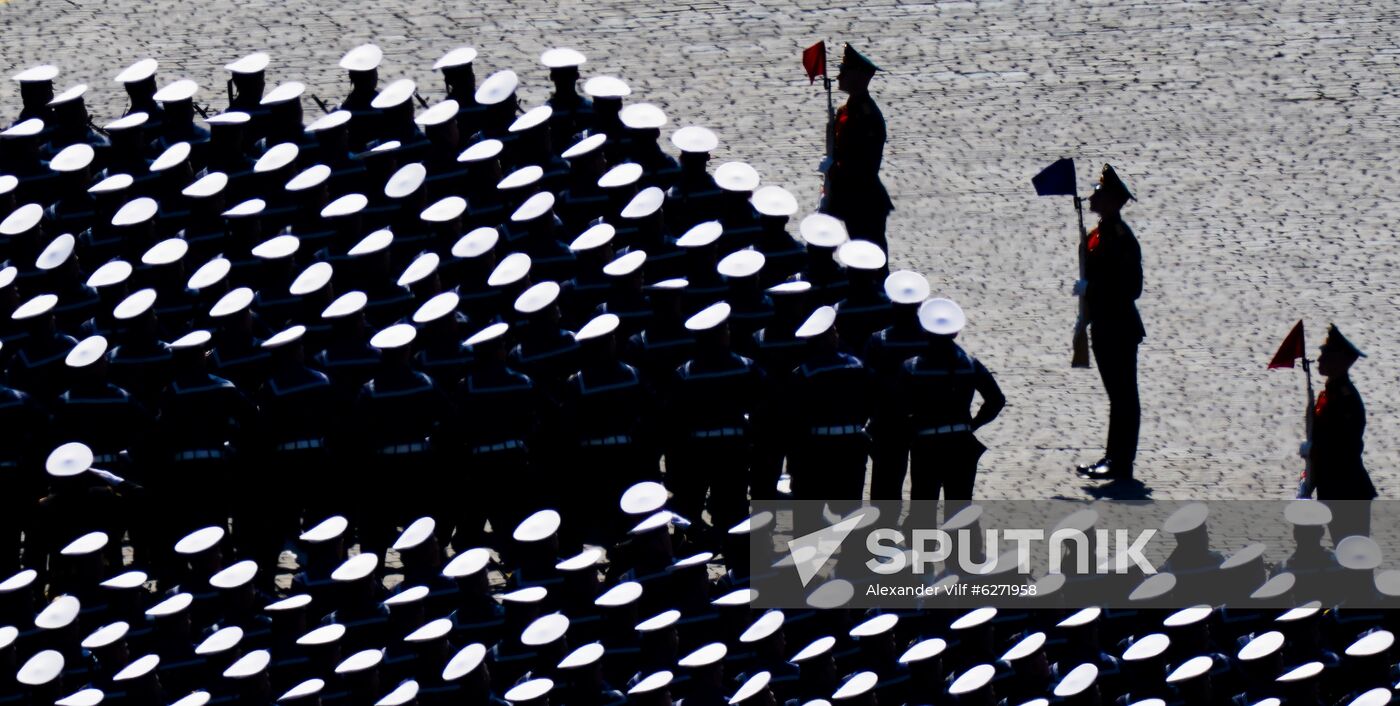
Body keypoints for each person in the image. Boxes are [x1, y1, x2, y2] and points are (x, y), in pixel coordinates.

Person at [1074, 164, 1144, 483]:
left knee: (1123, 397)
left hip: (1119, 326)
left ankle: (1121, 461)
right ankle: (1113, 456)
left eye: (1099, 194)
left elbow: (1132, 287)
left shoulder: (1119, 237)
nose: (1092, 197)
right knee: (1117, 396)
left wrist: (1094, 288)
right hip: (1102, 325)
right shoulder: (1095, 235)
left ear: (1114, 201)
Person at [899, 298, 1004, 509]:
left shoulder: (911, 367)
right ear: (955, 333)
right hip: (960, 442)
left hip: (926, 444)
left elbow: (898, 406)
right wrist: (973, 424)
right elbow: (996, 400)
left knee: (923, 508)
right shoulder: (970, 364)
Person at [1302, 324, 1377, 542]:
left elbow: (1343, 446)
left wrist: (1314, 450)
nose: (1319, 360)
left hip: (1347, 488)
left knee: (1353, 555)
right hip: (1333, 487)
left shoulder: (1345, 399)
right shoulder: (1329, 394)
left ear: (1341, 362)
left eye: (1326, 355)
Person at [820, 44, 892, 252]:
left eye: (845, 71)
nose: (839, 76)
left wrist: (835, 170)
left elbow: (863, 166)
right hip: (846, 195)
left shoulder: (866, 116)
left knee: (870, 257)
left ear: (860, 77)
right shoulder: (846, 110)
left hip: (863, 199)